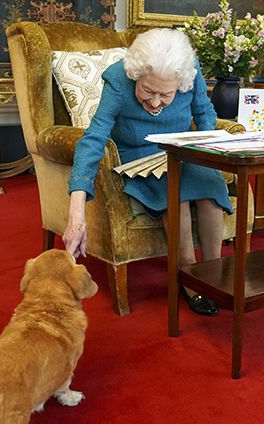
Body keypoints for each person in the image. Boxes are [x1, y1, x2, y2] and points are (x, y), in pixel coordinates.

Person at [64, 28, 231, 316]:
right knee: (175, 197)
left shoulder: (190, 71)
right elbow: (94, 138)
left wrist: (208, 152)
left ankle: (212, 276)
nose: (155, 103)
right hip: (138, 155)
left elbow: (204, 115)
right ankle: (189, 279)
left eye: (165, 94)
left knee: (211, 193)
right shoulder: (118, 78)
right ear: (136, 75)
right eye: (147, 91)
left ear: (180, 82)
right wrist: (76, 207)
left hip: (183, 150)